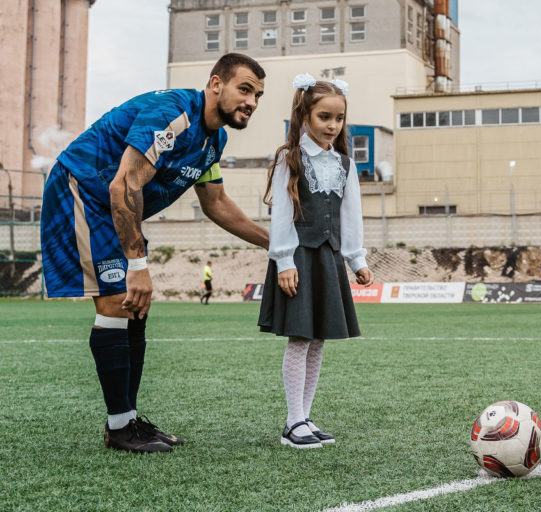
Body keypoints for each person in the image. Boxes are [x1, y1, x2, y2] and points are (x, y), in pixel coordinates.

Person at [40, 53, 270, 453]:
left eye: (258, 96)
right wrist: (138, 264)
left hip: (115, 205)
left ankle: (127, 423)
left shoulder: (214, 139)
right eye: (244, 89)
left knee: (136, 307)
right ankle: (120, 429)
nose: (251, 101)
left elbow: (215, 204)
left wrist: (275, 243)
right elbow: (122, 184)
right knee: (116, 303)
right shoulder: (174, 112)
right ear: (216, 84)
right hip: (82, 190)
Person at [258, 74, 373, 449]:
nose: (332, 126)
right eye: (325, 117)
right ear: (304, 115)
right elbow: (280, 216)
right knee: (300, 338)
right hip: (298, 258)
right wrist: (284, 261)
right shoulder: (288, 158)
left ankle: (305, 417)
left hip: (328, 258)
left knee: (319, 338)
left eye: (338, 119)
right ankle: (292, 423)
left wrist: (356, 259)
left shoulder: (344, 162)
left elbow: (351, 214)